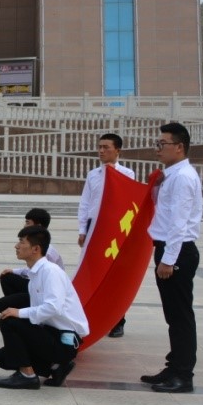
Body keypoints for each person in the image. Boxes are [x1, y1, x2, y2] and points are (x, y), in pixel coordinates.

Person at [141, 122, 203, 394]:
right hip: (168, 248)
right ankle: (174, 366)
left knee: (180, 316)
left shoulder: (183, 177)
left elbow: (179, 223)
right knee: (173, 315)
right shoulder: (171, 175)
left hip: (177, 251)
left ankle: (183, 374)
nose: (158, 149)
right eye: (158, 143)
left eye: (162, 144)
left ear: (179, 147)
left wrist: (168, 259)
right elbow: (164, 211)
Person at [0, 225, 90, 389]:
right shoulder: (35, 272)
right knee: (3, 357)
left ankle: (28, 376)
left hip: (64, 340)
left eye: (21, 242)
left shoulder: (51, 272)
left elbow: (53, 307)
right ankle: (57, 367)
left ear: (36, 249)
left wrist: (19, 313)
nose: (16, 246)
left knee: (9, 320)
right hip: (51, 334)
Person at [77, 132, 136, 338]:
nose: (101, 151)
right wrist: (82, 230)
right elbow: (85, 203)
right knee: (92, 272)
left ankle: (117, 320)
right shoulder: (93, 175)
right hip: (94, 227)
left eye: (106, 147)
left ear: (117, 150)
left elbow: (128, 203)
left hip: (114, 229)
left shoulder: (127, 174)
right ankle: (91, 316)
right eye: (99, 147)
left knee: (113, 275)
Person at [0, 207, 63, 313]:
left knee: (1, 305)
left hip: (42, 292)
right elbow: (32, 270)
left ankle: (20, 310)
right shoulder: (40, 248)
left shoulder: (47, 254)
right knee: (7, 277)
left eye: (27, 222)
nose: (25, 226)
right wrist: (13, 271)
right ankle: (17, 309)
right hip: (35, 286)